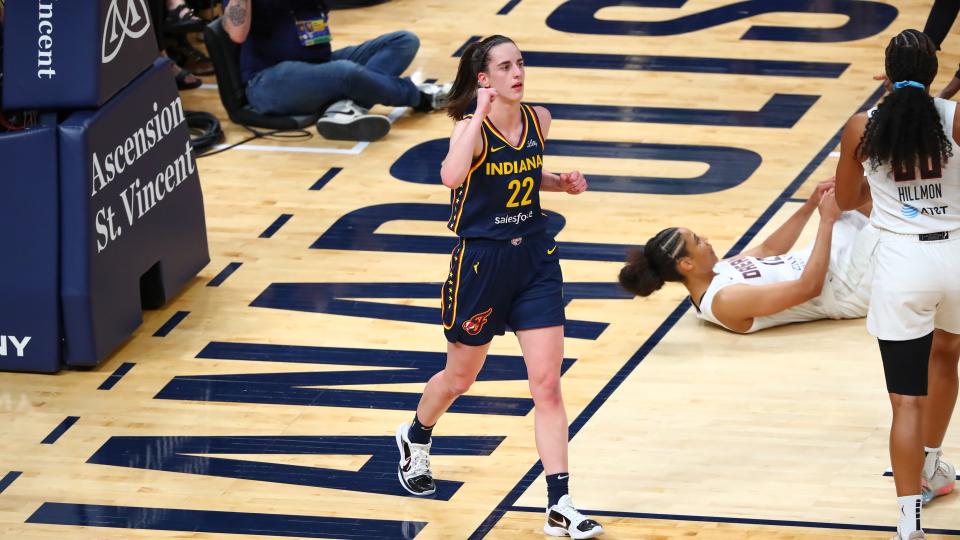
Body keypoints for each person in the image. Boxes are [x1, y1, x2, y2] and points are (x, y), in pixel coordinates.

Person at [393, 35, 604, 539]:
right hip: (481, 264)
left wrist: (560, 182)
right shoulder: (471, 129)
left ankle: (560, 504)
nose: (518, 73)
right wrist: (476, 114)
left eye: (521, 64)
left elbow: (523, 175)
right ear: (485, 79)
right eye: (506, 67)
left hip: (534, 257)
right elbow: (451, 175)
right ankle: (416, 433)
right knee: (460, 379)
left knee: (547, 384)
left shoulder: (539, 120)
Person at [835, 29, 960, 540]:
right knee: (947, 355)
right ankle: (932, 465)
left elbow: (846, 199)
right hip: (955, 253)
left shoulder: (862, 126)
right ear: (935, 74)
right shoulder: (955, 117)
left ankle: (908, 522)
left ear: (884, 74)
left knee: (906, 400)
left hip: (902, 264)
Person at [618, 179, 876, 333]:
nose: (706, 241)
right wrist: (826, 222)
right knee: (887, 221)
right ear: (687, 263)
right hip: (844, 287)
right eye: (698, 241)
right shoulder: (725, 300)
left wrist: (811, 204)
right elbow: (808, 288)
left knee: (855, 187)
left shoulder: (717, 271)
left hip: (832, 263)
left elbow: (769, 250)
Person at [221, 0, 448, 141]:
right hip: (269, 81)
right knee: (346, 72)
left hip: (319, 65)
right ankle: (421, 97)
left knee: (404, 41)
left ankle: (343, 108)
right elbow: (237, 33)